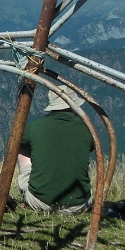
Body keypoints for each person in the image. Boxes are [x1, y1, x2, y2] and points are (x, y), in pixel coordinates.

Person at [16, 85, 94, 214]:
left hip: (41, 203)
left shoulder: (34, 127)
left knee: (21, 149)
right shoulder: (89, 130)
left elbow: (15, 144)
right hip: (80, 205)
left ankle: (32, 186)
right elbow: (90, 147)